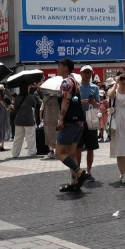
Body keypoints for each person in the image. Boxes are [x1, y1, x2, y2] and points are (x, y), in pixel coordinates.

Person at [54, 58, 91, 192]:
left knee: (59, 153)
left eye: (59, 65)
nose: (57, 68)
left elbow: (66, 101)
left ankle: (80, 172)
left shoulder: (66, 82)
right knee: (71, 153)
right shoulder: (76, 82)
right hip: (79, 122)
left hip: (69, 123)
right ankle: (74, 182)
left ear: (65, 68)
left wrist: (60, 120)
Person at [77, 65, 101, 180]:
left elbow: (98, 105)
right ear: (80, 73)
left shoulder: (95, 88)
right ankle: (77, 170)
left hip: (91, 120)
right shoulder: (77, 87)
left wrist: (93, 102)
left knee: (90, 148)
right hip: (79, 120)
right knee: (78, 147)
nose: (87, 75)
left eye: (89, 73)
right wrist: (82, 102)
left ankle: (88, 171)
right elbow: (73, 103)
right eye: (85, 72)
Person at [11, 83, 39, 158]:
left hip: (19, 120)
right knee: (30, 137)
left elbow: (15, 108)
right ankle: (31, 152)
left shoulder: (17, 97)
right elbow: (34, 105)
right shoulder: (30, 96)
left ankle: (15, 153)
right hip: (29, 119)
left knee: (17, 138)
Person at [41, 91, 61, 159]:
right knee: (56, 134)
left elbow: (41, 109)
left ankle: (51, 150)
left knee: (48, 134)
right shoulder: (58, 99)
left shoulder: (45, 99)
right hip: (56, 119)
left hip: (47, 119)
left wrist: (41, 119)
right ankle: (56, 151)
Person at [0, 84, 12, 151]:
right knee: (4, 129)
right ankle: (2, 145)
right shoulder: (6, 98)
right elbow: (10, 106)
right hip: (4, 115)